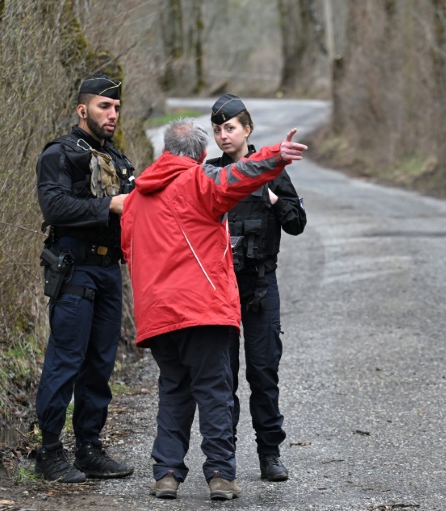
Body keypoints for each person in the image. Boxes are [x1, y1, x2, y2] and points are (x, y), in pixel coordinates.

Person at [120, 118, 307, 500]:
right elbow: (240, 175)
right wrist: (276, 157)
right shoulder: (200, 182)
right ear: (203, 156)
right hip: (201, 310)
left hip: (158, 314)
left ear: (165, 152)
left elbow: (129, 250)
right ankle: (220, 474)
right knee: (214, 392)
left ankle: (167, 474)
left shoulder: (136, 197)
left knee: (173, 389)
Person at [34, 74, 135, 483]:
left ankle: (89, 448)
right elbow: (54, 206)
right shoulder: (60, 153)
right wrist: (110, 204)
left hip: (111, 271)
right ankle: (49, 452)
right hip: (75, 270)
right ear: (83, 110)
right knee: (66, 361)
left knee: (99, 365)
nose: (112, 114)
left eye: (115, 108)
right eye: (103, 107)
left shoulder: (119, 159)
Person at [207, 94, 306, 482]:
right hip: (220, 287)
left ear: (247, 130)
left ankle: (270, 453)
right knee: (222, 375)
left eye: (229, 128)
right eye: (217, 129)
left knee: (263, 372)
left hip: (261, 284)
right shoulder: (210, 173)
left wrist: (271, 195)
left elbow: (297, 223)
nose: (222, 136)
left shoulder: (271, 170)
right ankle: (224, 457)